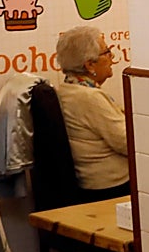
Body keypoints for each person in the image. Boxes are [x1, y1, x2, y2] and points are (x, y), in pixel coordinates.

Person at [53, 25, 130, 198]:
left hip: (92, 182)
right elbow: (126, 142)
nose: (112, 57)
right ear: (89, 65)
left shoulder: (68, 89)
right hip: (112, 185)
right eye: (107, 52)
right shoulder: (89, 97)